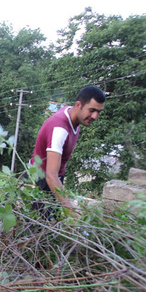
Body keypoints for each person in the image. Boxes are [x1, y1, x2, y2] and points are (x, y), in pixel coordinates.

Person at [30, 86, 105, 217]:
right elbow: (50, 175)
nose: (95, 116)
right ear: (78, 105)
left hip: (55, 178)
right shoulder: (60, 129)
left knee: (54, 222)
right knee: (39, 227)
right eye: (92, 110)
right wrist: (71, 211)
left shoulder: (72, 115)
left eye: (98, 112)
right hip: (42, 180)